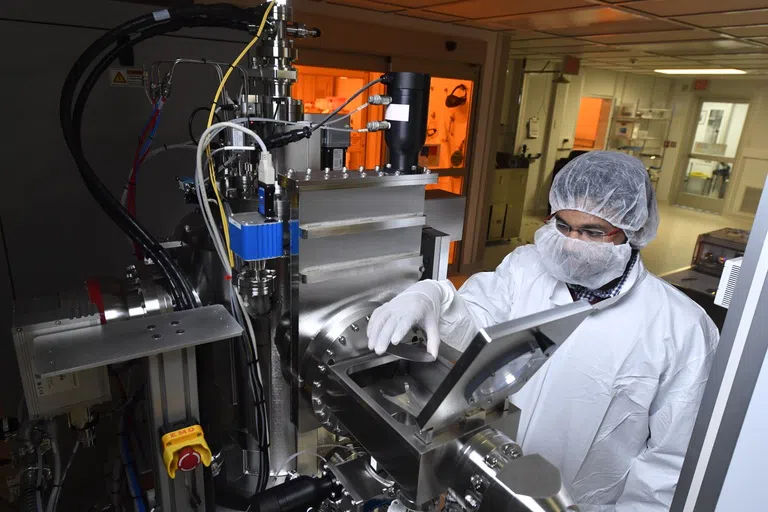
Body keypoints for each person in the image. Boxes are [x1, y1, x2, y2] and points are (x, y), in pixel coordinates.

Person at [367, 151, 719, 511]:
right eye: (563, 225)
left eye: (593, 232)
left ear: (631, 231)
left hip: (581, 503)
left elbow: (670, 461)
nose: (572, 242)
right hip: (487, 477)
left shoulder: (681, 328)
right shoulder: (525, 268)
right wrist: (437, 296)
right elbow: (474, 327)